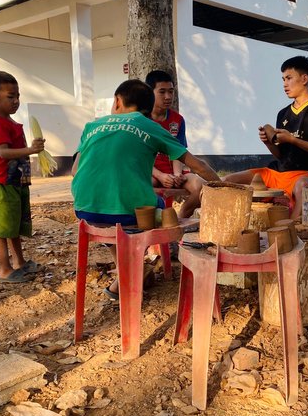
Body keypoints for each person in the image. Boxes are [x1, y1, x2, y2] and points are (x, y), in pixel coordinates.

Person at [71, 79, 220, 298]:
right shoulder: (149, 125)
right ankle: (133, 273)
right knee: (157, 208)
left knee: (113, 218)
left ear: (117, 101)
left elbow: (75, 170)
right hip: (129, 215)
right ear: (149, 108)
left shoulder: (92, 126)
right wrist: (223, 187)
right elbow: (197, 165)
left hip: (85, 211)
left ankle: (128, 275)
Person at [223, 56, 308, 219]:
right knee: (226, 181)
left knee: (305, 189)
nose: (284, 84)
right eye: (283, 79)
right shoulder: (283, 113)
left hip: (303, 175)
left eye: (289, 78)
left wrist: (292, 139)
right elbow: (281, 155)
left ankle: (290, 230)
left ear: (304, 79)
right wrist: (268, 142)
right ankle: (232, 227)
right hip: (275, 172)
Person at [0, 70, 45, 283]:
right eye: (11, 97)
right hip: (4, 184)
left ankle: (20, 262)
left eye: (18, 96)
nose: (16, 101)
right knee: (1, 228)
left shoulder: (9, 121)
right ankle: (4, 269)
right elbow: (3, 153)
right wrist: (30, 150)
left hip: (17, 183)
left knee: (14, 225)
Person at [145, 70, 204, 218]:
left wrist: (177, 175)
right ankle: (149, 224)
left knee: (202, 185)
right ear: (150, 93)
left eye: (171, 91)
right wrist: (160, 175)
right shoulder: (142, 120)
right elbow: (139, 156)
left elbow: (178, 151)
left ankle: (180, 218)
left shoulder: (178, 120)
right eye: (162, 92)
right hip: (151, 171)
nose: (168, 97)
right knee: (144, 184)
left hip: (173, 171)